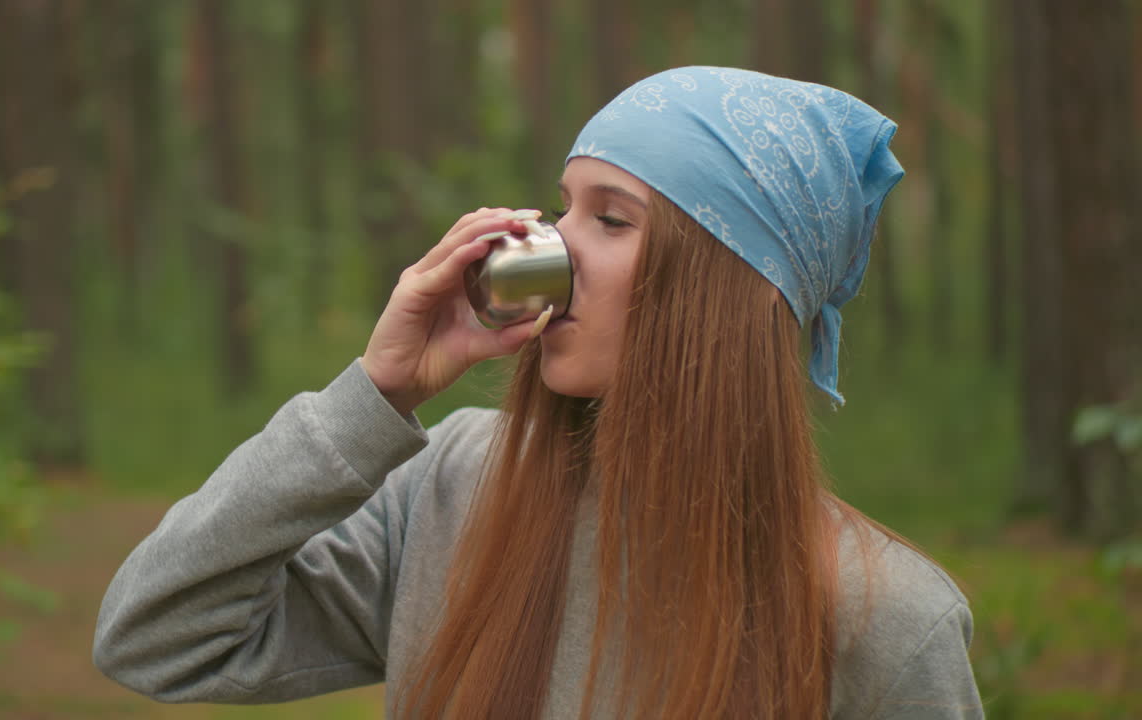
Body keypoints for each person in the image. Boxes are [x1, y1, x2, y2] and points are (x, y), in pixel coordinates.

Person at [94, 67, 983, 719]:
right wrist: (372, 399)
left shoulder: (886, 621)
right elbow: (157, 634)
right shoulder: (452, 489)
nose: (543, 244)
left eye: (611, 218)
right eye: (562, 208)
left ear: (724, 286)